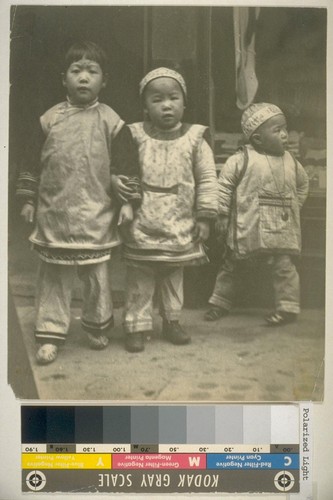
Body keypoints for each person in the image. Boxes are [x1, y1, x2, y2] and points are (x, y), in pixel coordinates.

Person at [16, 41, 140, 364]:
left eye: (92, 71)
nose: (84, 78)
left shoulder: (112, 122)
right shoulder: (49, 120)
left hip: (95, 213)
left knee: (97, 277)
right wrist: (28, 198)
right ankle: (49, 332)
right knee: (54, 277)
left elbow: (126, 166)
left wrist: (127, 202)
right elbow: (30, 161)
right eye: (76, 70)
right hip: (55, 213)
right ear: (64, 78)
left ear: (104, 80)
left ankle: (96, 326)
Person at [121, 67, 218, 352]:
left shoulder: (195, 139)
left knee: (174, 273)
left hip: (179, 220)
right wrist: (125, 202)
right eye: (157, 100)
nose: (166, 105)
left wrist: (205, 216)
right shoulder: (135, 135)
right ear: (145, 107)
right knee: (140, 275)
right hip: (143, 220)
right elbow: (125, 172)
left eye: (173, 98)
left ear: (184, 103)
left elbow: (208, 179)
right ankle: (136, 325)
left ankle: (172, 320)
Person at [205, 102, 309, 326]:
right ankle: (219, 303)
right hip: (247, 225)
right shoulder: (241, 160)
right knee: (231, 265)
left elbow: (302, 185)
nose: (284, 135)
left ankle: (287, 307)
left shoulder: (291, 161)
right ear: (257, 139)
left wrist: (294, 208)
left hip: (280, 229)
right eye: (277, 130)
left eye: (285, 129)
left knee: (284, 267)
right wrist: (222, 214)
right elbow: (223, 187)